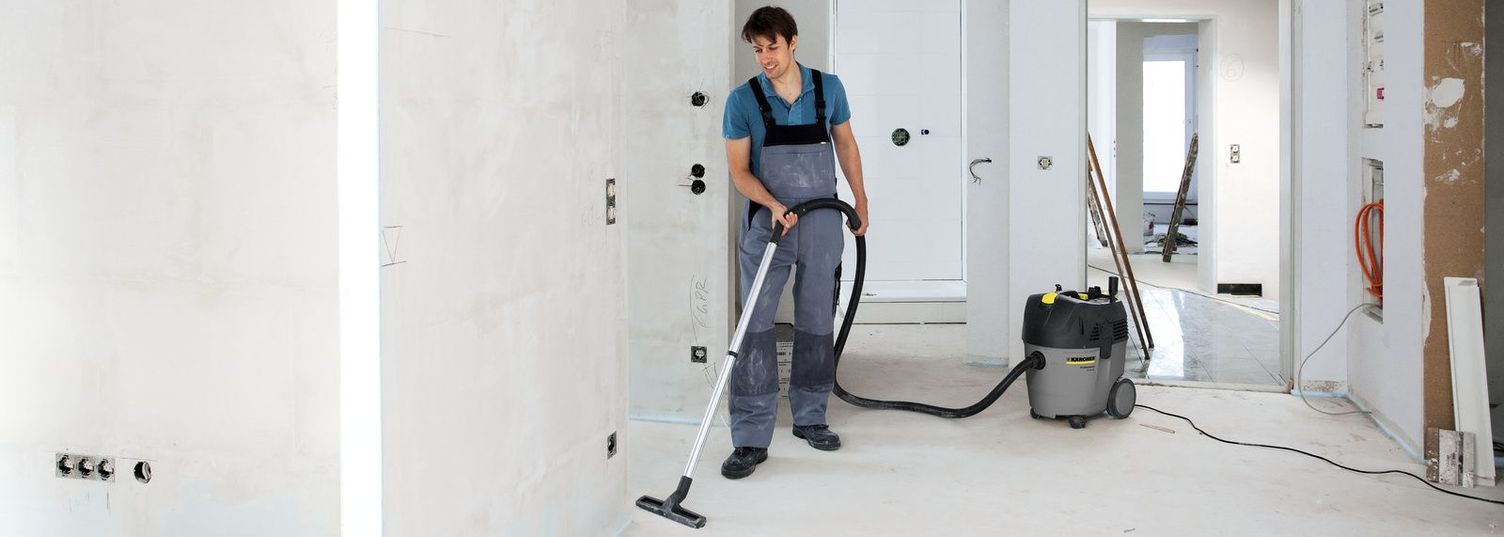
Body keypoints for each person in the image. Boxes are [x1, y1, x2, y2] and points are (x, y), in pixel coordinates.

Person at [720, 5, 868, 479]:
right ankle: (749, 435)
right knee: (756, 326)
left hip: (824, 218)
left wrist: (860, 201)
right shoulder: (742, 101)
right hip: (770, 223)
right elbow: (739, 172)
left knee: (815, 318)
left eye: (772, 47)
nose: (764, 58)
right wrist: (771, 203)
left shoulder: (829, 88)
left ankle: (810, 416)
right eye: (757, 50)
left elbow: (845, 144)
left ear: (793, 41)